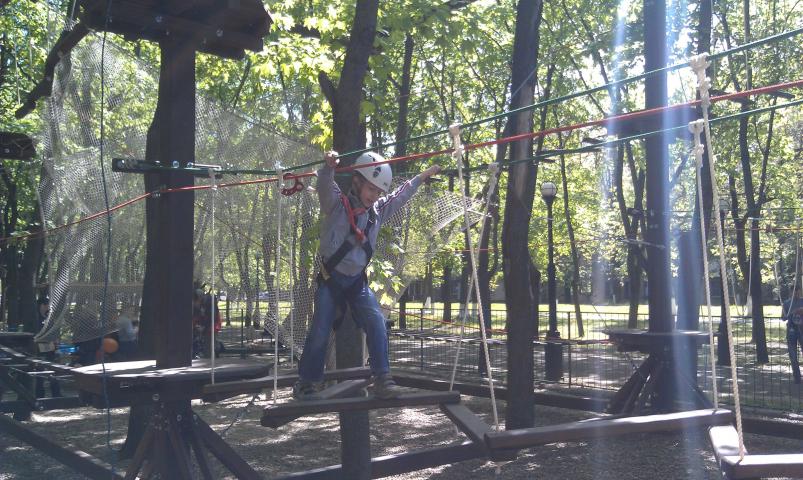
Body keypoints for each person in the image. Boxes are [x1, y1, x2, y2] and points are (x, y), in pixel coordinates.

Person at [293, 150, 441, 401]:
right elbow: (324, 186)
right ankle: (307, 382)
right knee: (320, 329)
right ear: (357, 182)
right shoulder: (337, 205)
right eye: (371, 189)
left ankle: (382, 377)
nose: (374, 196)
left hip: (356, 283)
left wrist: (421, 177)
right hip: (331, 280)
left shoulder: (377, 212)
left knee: (376, 322)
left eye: (378, 192)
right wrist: (329, 167)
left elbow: (400, 196)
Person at [34, 297, 62, 398]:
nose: (48, 308)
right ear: (42, 306)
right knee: (40, 374)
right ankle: (40, 395)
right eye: (47, 306)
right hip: (39, 350)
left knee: (54, 372)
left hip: (51, 350)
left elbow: (54, 332)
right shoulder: (36, 319)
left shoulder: (49, 319)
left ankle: (56, 394)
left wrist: (56, 341)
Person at [783, 287, 803, 384]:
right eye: (794, 293)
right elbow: (783, 318)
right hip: (791, 330)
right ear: (791, 292)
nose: (796, 294)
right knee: (793, 355)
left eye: (798, 292)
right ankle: (797, 377)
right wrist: (791, 312)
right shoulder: (787, 303)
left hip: (802, 329)